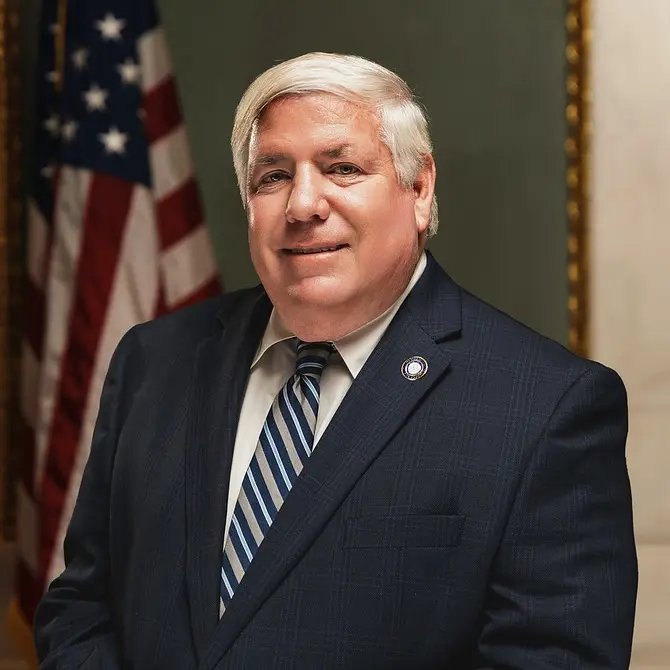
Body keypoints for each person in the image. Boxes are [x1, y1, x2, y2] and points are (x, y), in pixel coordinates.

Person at [34, 52, 637, 670]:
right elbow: (83, 604)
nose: (302, 205)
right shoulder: (153, 362)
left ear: (420, 188)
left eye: (342, 168)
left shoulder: (546, 407)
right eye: (273, 176)